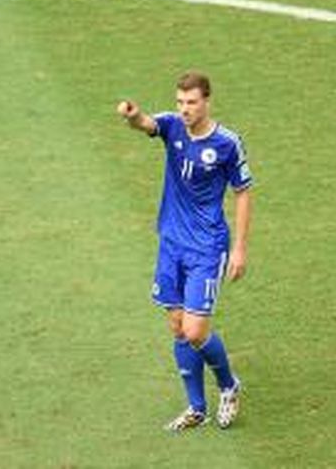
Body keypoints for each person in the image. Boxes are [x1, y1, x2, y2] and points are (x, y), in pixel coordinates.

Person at [116, 71, 253, 431]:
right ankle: (196, 407)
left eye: (191, 103)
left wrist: (239, 248)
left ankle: (229, 385)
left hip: (207, 248)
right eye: (180, 102)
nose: (185, 109)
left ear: (207, 101)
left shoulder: (227, 143)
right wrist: (132, 116)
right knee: (177, 327)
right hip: (172, 244)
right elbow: (146, 123)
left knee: (195, 331)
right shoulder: (172, 126)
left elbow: (243, 192)